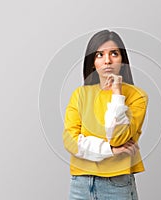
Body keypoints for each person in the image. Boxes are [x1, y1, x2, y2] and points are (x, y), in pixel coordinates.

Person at [63, 29, 148, 200]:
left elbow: (118, 137)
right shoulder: (80, 95)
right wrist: (110, 150)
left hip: (117, 184)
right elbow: (71, 141)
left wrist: (117, 93)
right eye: (99, 55)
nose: (107, 60)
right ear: (93, 62)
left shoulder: (137, 96)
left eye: (114, 54)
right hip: (80, 183)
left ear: (122, 59)